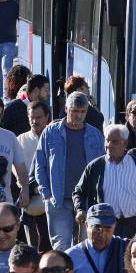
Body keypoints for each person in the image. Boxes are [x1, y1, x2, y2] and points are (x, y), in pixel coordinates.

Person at [35, 92, 106, 251]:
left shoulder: (95, 135)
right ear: (66, 109)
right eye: (75, 111)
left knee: (85, 249)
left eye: (82, 112)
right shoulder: (51, 132)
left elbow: (103, 168)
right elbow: (39, 165)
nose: (79, 115)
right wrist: (47, 194)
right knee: (61, 248)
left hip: (87, 201)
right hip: (58, 201)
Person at [73, 124, 136, 239]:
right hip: (105, 227)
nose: (108, 145)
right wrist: (80, 209)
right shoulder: (95, 166)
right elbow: (79, 191)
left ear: (125, 143)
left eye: (114, 142)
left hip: (135, 226)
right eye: (107, 140)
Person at [18, 100, 52, 251]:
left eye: (38, 117)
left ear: (47, 117)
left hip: (50, 202)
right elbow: (17, 170)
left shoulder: (54, 138)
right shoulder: (20, 140)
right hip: (29, 202)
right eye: (31, 117)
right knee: (32, 248)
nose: (34, 121)